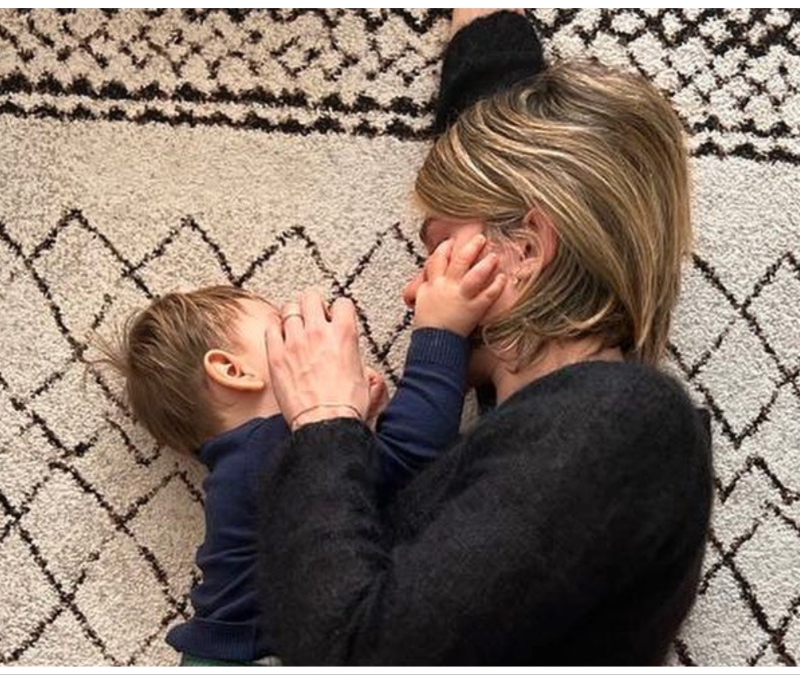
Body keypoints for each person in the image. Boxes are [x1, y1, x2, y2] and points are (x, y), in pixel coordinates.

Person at [254, 9, 714, 665]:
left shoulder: (619, 419)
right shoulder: (577, 421)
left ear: (525, 249)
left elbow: (354, 653)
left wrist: (323, 420)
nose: (413, 292)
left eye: (438, 249)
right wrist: (487, 31)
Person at [94, 234, 504, 665]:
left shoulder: (251, 459)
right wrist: (442, 331)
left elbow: (345, 499)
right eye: (283, 329)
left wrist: (355, 431)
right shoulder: (263, 448)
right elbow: (410, 455)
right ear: (232, 370)